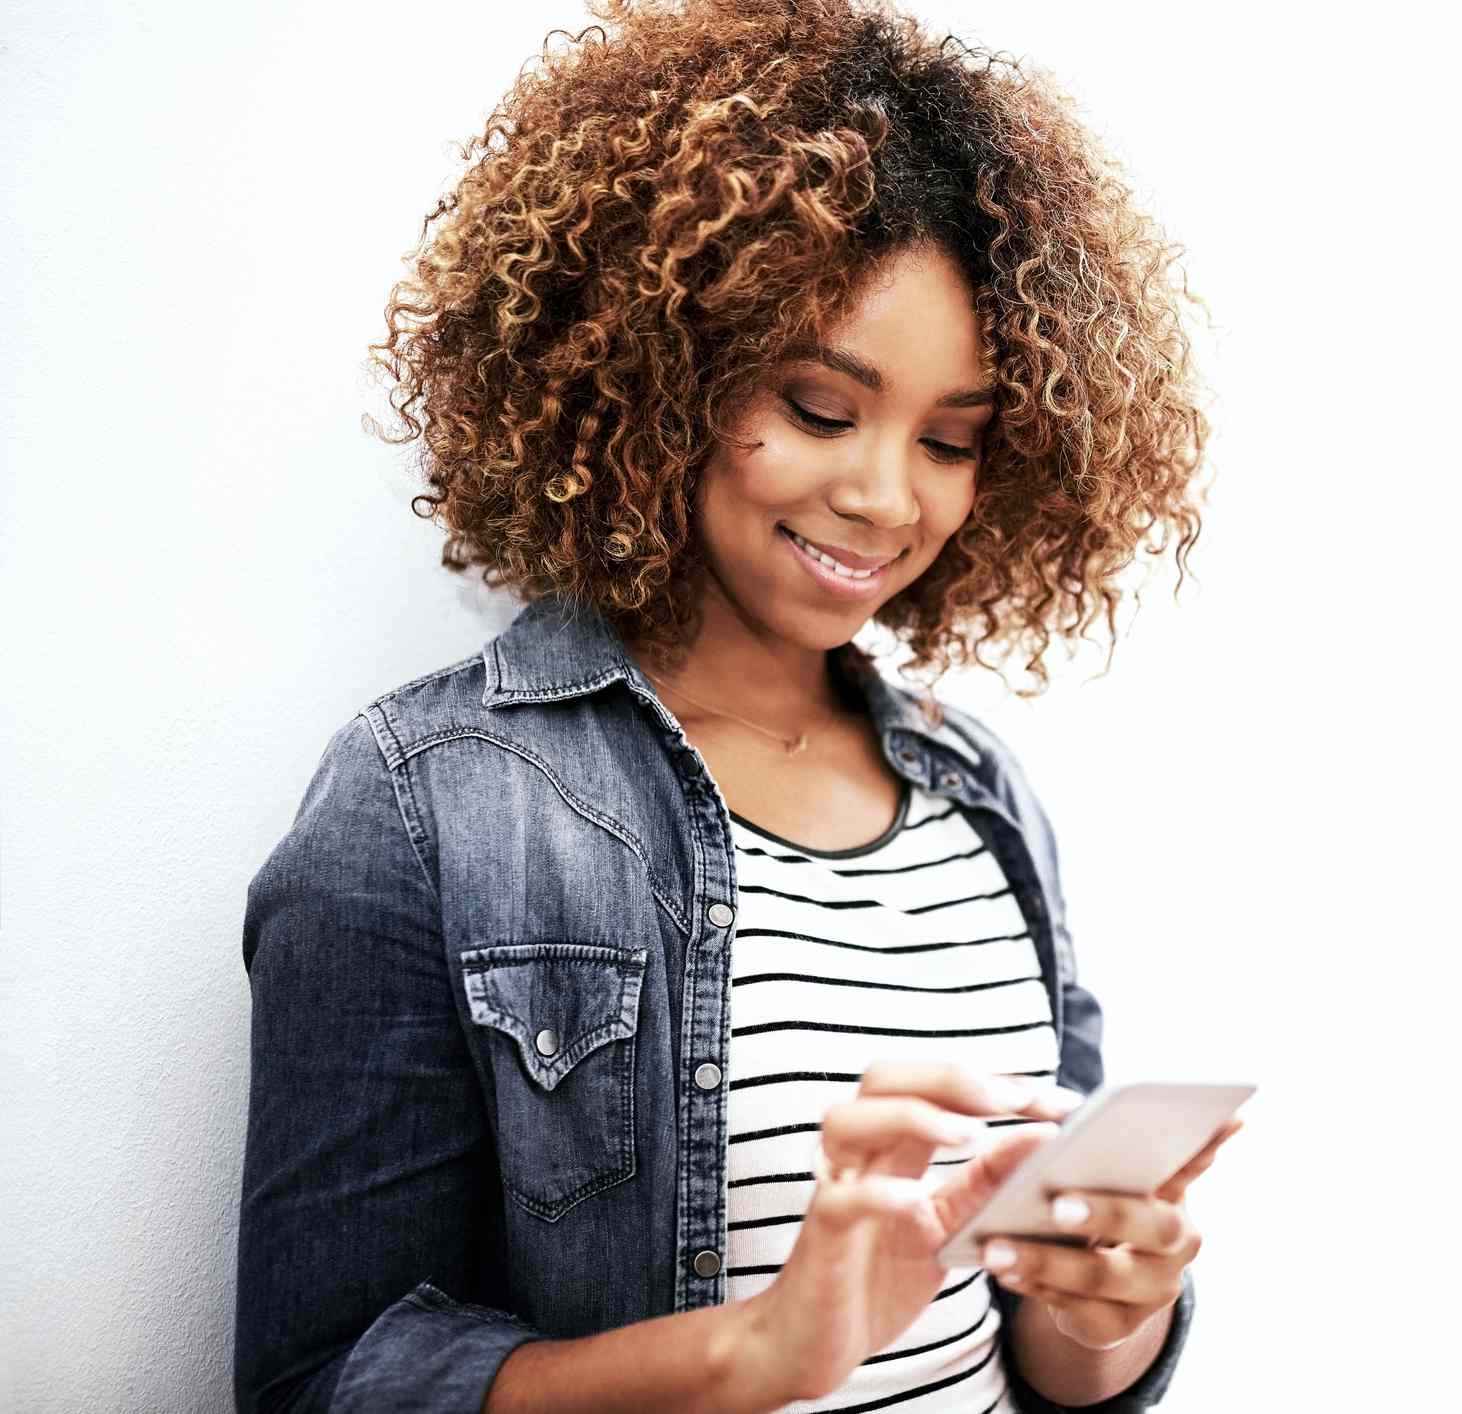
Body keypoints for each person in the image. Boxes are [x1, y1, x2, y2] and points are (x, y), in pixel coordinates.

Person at [233, 1, 1236, 1411]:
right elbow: (323, 1377)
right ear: (664, 369)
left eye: (952, 439)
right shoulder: (425, 802)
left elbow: (1043, 1355)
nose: (889, 496)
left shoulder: (982, 800)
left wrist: (1108, 1317)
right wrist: (753, 1354)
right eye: (822, 408)